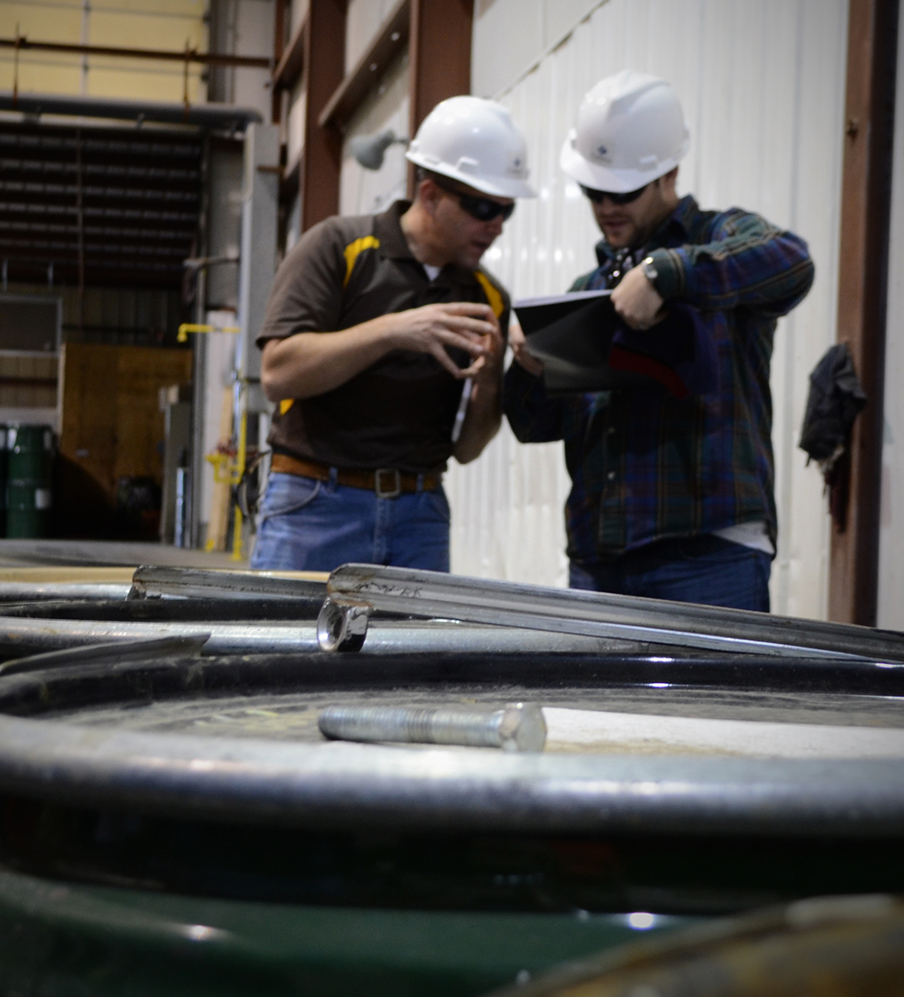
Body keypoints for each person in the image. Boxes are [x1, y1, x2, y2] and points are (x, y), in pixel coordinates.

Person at [505, 70, 815, 612]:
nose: (606, 206)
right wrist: (529, 366)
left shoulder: (719, 237)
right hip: (601, 564)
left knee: (714, 701)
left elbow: (790, 261)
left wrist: (665, 274)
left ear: (668, 174)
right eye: (593, 191)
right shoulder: (587, 292)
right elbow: (537, 426)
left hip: (708, 558)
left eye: (622, 191)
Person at [251, 96, 536, 573]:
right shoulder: (338, 248)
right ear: (430, 195)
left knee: (413, 651)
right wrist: (391, 330)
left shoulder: (487, 297)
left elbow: (466, 449)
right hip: (315, 505)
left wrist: (491, 381)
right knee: (288, 646)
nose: (495, 227)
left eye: (505, 212)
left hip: (418, 515)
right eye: (482, 207)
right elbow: (278, 373)